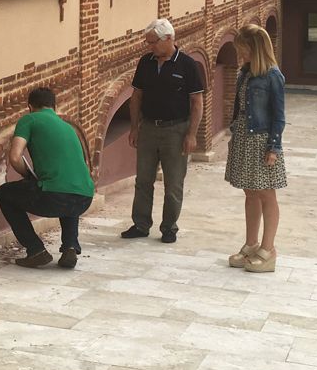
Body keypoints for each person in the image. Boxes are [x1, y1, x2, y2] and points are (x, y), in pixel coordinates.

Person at [120, 19, 204, 243]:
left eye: (153, 42)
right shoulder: (145, 62)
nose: (150, 47)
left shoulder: (186, 65)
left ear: (168, 39)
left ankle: (169, 227)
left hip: (176, 130)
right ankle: (140, 224)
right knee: (143, 180)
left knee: (173, 183)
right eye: (147, 43)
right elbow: (137, 96)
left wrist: (191, 134)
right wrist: (134, 127)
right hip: (148, 128)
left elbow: (196, 101)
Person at [0, 87, 95, 269]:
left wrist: (27, 176)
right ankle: (70, 246)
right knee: (67, 188)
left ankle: (36, 250)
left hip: (53, 198)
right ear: (54, 107)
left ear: (30, 107)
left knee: (4, 193)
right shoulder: (68, 127)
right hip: (85, 197)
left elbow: (15, 157)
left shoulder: (29, 119)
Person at [224, 24, 287, 273]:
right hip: (243, 138)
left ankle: (268, 248)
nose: (241, 55)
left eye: (244, 50)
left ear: (256, 48)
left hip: (261, 141)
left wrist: (273, 148)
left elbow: (278, 116)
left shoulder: (272, 76)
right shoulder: (245, 73)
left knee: (266, 194)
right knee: (249, 192)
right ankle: (251, 244)